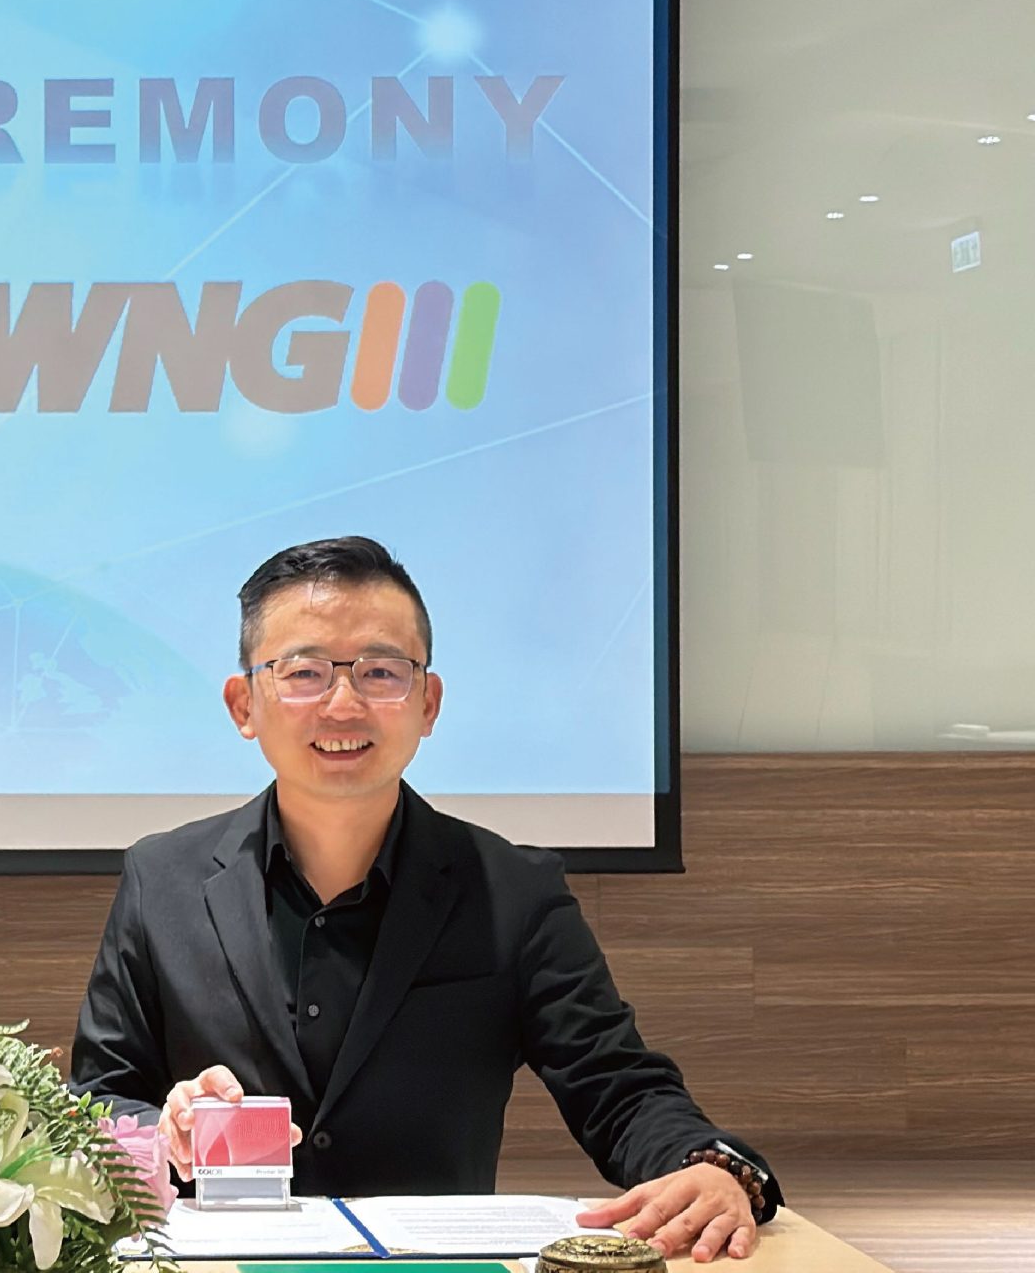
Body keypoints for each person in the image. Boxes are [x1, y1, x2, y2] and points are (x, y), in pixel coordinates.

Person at [71, 537, 779, 1263]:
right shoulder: (163, 879)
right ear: (243, 703)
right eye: (305, 673)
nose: (343, 704)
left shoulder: (513, 891)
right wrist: (160, 1129)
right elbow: (96, 1099)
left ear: (428, 703)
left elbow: (618, 1086)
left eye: (381, 672)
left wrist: (710, 1167)